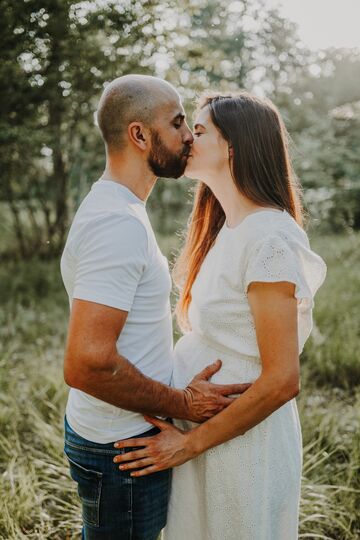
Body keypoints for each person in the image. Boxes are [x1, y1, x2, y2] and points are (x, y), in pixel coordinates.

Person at [112, 92, 327, 540]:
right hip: (207, 440)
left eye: (201, 130)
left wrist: (187, 444)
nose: (188, 138)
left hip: (241, 444)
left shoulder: (269, 239)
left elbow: (282, 379)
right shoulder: (226, 227)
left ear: (234, 148)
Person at [61, 76, 250, 540]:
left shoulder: (117, 207)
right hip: (121, 446)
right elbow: (86, 363)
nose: (189, 135)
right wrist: (182, 403)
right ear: (140, 135)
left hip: (114, 433)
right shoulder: (116, 225)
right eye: (178, 122)